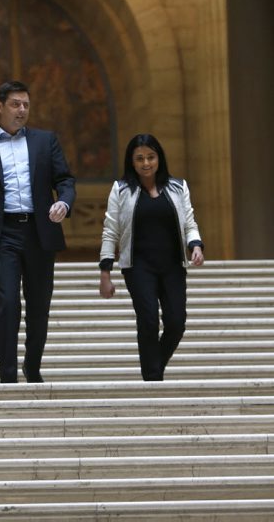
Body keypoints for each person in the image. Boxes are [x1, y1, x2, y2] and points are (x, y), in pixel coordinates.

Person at [0, 80, 76, 383]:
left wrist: (64, 202)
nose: (22, 110)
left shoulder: (45, 141)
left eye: (26, 104)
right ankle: (8, 375)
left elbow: (65, 180)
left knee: (39, 307)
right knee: (8, 304)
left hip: (40, 232)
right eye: (15, 104)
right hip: (5, 235)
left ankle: (33, 366)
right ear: (0, 107)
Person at [99, 133, 204, 381]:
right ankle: (153, 378)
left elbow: (189, 221)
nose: (146, 163)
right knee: (147, 319)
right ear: (131, 162)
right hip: (138, 267)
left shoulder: (179, 187)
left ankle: (154, 365)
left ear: (159, 158)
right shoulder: (121, 189)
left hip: (172, 266)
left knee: (176, 323)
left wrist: (196, 245)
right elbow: (110, 229)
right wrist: (105, 272)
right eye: (140, 159)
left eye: (151, 157)